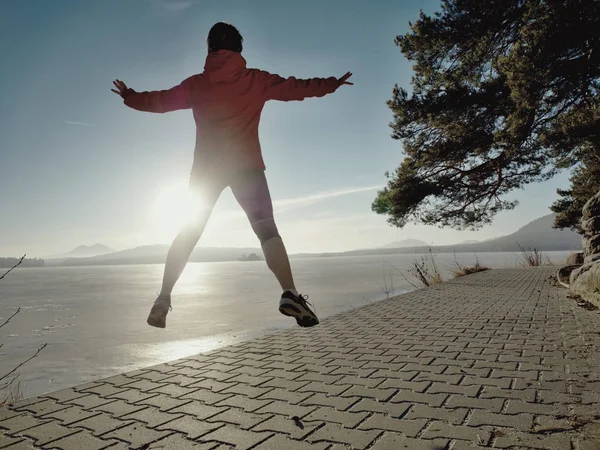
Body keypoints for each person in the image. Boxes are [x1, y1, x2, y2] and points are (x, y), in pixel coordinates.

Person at [111, 22, 353, 330]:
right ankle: (290, 293)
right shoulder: (255, 79)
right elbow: (297, 88)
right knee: (267, 231)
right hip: (246, 167)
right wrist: (331, 83)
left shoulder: (197, 84)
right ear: (239, 49)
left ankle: (163, 298)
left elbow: (160, 101)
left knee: (188, 233)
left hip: (206, 171)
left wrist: (129, 96)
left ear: (209, 48)